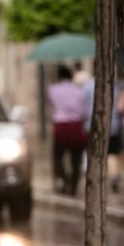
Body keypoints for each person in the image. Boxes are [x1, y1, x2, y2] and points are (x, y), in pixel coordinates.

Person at [47, 65, 88, 195]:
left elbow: (53, 105)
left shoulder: (53, 89)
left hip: (60, 125)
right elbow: (84, 110)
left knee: (57, 156)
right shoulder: (79, 91)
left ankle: (64, 179)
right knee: (76, 158)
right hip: (76, 125)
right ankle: (74, 186)